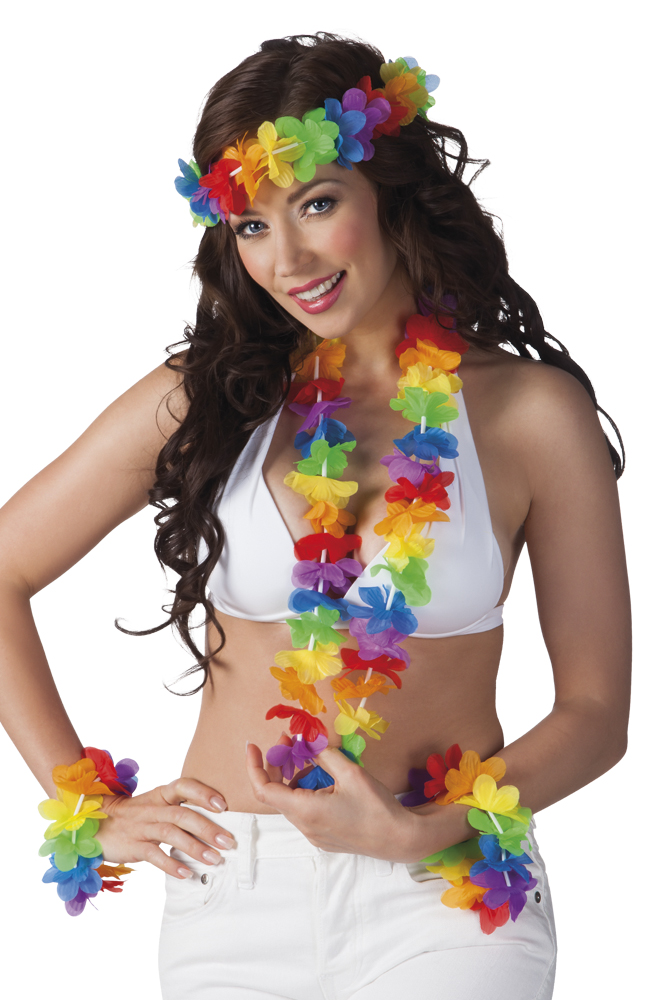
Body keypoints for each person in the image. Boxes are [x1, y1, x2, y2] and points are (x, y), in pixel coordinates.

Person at [0, 32, 630, 1000]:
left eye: (318, 203)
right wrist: (84, 806)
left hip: (444, 888)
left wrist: (421, 830)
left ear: (390, 191)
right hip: (231, 886)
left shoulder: (530, 414)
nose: (286, 258)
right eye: (251, 225)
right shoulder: (210, 397)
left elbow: (594, 714)